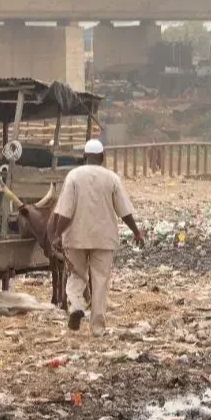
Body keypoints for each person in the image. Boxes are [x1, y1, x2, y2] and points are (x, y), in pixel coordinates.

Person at [48, 139, 145, 334]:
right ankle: (98, 328)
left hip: (76, 237)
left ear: (84, 157)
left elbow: (65, 211)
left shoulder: (74, 176)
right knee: (100, 281)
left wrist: (57, 235)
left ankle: (76, 307)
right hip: (104, 238)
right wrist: (136, 231)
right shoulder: (112, 178)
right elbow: (124, 211)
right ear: (102, 158)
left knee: (76, 275)